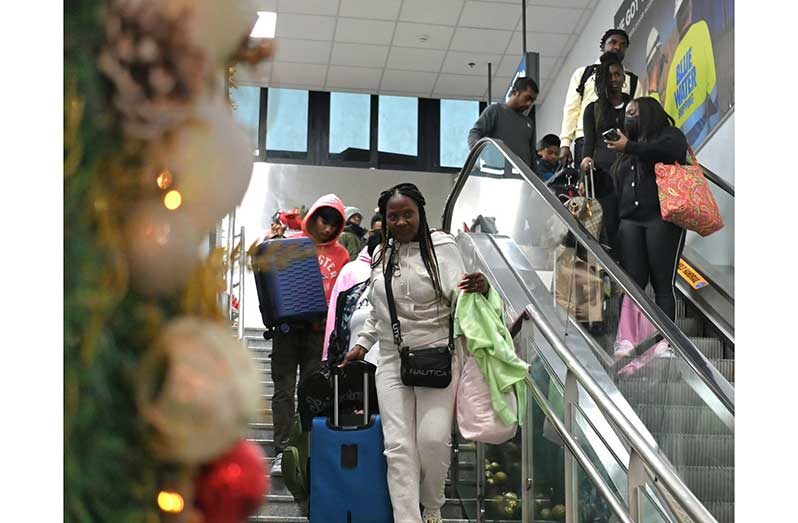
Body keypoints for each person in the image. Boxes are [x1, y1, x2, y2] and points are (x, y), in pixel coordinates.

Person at [340, 183, 489, 523]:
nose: (401, 221)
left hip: (437, 355)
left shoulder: (442, 247)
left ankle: (432, 505)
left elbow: (463, 297)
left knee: (433, 441)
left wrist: (482, 287)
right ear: (385, 220)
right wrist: (362, 344)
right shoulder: (382, 254)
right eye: (394, 216)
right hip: (392, 359)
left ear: (421, 213)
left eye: (408, 214)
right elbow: (378, 310)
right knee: (398, 449)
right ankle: (407, 519)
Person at [270, 194, 350, 476]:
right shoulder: (289, 244)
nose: (327, 228)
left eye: (333, 224)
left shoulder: (342, 255)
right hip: (287, 329)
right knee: (283, 391)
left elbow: (344, 295)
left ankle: (304, 451)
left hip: (319, 333)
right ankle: (282, 451)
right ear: (313, 216)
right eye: (322, 220)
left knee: (310, 394)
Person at [605, 97, 688, 323]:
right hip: (630, 221)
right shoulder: (627, 147)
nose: (628, 117)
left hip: (662, 218)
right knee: (632, 283)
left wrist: (630, 147)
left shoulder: (669, 135)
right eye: (627, 114)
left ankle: (666, 343)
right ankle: (628, 341)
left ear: (649, 114)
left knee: (662, 282)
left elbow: (669, 151)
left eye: (634, 113)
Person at [559, 28, 643, 168]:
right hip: (585, 140)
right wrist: (565, 143)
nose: (618, 47)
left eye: (623, 45)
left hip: (621, 141)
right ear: (602, 46)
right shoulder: (583, 74)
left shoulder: (632, 80)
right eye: (613, 42)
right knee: (590, 187)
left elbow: (640, 116)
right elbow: (571, 109)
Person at [580, 52, 631, 251]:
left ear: (623, 76)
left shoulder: (632, 105)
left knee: (628, 223)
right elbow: (589, 143)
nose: (614, 79)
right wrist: (584, 170)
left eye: (618, 74)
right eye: (609, 76)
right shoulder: (593, 109)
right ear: (602, 79)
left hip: (629, 175)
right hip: (603, 177)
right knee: (609, 225)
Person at [467, 77, 538, 168]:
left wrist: (540, 180)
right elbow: (474, 134)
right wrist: (483, 154)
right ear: (515, 92)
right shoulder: (495, 110)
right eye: (527, 98)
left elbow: (532, 157)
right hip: (496, 173)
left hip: (521, 177)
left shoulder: (529, 123)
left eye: (532, 100)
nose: (529, 103)